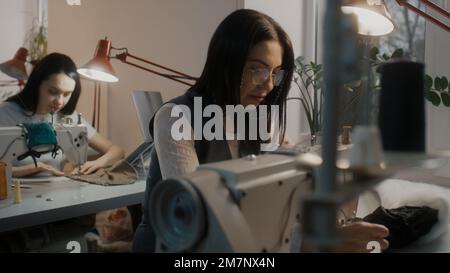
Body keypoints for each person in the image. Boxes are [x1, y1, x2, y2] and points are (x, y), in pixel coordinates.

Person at [133, 9, 389, 253]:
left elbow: (292, 176)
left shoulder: (256, 119)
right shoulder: (176, 118)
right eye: (257, 69)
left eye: (275, 73)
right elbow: (202, 219)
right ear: (226, 61)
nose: (268, 85)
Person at [0, 53, 124, 177]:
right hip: (16, 192)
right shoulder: (5, 113)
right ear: (37, 85)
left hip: (55, 190)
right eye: (53, 92)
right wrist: (33, 168)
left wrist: (98, 163)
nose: (60, 101)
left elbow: (117, 150)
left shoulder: (68, 117)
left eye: (67, 94)